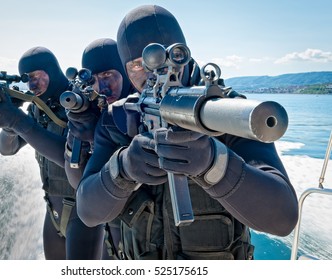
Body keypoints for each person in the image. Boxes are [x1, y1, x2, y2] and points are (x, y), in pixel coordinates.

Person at [75, 5, 299, 260]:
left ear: (184, 55)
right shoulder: (117, 119)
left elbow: (283, 219)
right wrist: (123, 168)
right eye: (137, 65)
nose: (152, 73)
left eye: (168, 58)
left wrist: (215, 164)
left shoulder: (224, 113)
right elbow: (87, 211)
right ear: (126, 70)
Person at [0, 46, 104, 259]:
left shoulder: (76, 104)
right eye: (28, 78)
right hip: (53, 210)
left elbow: (68, 156)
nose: (33, 84)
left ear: (53, 72)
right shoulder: (38, 107)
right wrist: (9, 121)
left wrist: (16, 120)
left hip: (83, 212)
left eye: (38, 76)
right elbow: (7, 149)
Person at [64, 38, 133, 259]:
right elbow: (77, 183)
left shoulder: (142, 106)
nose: (102, 87)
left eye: (108, 76)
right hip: (112, 236)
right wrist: (78, 136)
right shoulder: (88, 112)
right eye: (93, 79)